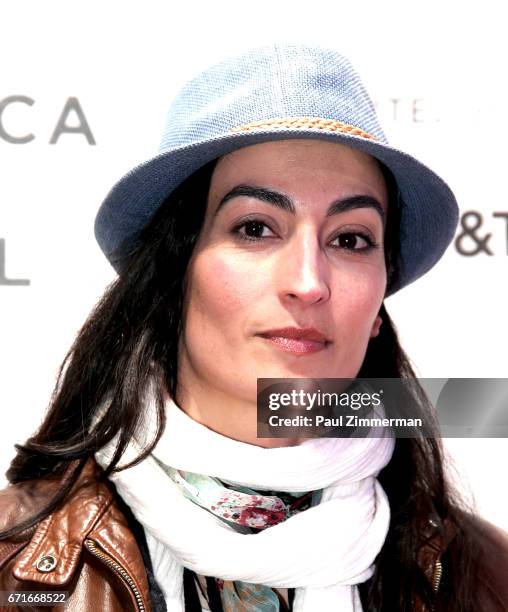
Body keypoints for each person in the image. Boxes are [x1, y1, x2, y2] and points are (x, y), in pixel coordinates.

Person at [0, 43, 507, 612]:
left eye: (350, 239)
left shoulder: (485, 576)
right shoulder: (13, 565)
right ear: (173, 273)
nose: (309, 282)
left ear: (379, 307)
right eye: (256, 228)